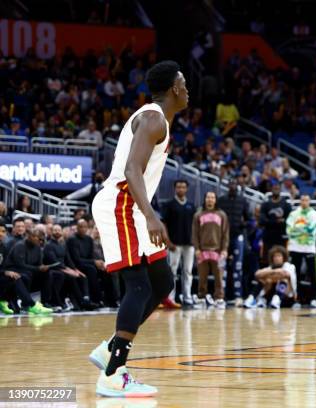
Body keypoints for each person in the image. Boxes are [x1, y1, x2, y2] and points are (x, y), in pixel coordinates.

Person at [89, 61, 188, 397]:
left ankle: (110, 348)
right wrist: (150, 215)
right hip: (122, 205)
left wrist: (147, 214)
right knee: (140, 287)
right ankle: (114, 374)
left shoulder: (158, 119)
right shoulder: (153, 118)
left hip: (132, 207)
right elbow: (132, 170)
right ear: (175, 87)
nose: (187, 89)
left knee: (163, 282)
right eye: (184, 83)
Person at [0, 229, 53, 315]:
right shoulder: (19, 246)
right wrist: (5, 272)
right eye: (39, 239)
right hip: (14, 271)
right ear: (30, 236)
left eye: (42, 239)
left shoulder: (38, 247)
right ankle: (30, 305)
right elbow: (20, 265)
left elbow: (38, 264)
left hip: (22, 273)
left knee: (47, 273)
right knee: (22, 275)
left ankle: (45, 302)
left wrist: (42, 267)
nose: (41, 241)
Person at [217, 178, 251, 307]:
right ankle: (221, 296)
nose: (232, 186)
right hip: (222, 238)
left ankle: (238, 296)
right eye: (230, 184)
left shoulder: (242, 201)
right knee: (221, 268)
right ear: (227, 186)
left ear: (237, 186)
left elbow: (250, 220)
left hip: (237, 237)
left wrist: (243, 225)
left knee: (238, 268)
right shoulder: (221, 200)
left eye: (234, 184)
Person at [162, 180, 196, 309]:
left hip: (189, 244)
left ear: (187, 189)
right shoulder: (169, 205)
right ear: (175, 189)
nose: (181, 189)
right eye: (178, 187)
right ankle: (171, 298)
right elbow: (163, 224)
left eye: (183, 187)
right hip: (174, 244)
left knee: (188, 271)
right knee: (172, 271)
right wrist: (167, 241)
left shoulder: (191, 206)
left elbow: (195, 225)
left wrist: (195, 241)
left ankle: (187, 297)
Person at [192, 191, 229, 309]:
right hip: (202, 251)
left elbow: (225, 234)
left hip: (218, 251)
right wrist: (197, 248)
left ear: (215, 200)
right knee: (202, 277)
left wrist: (224, 249)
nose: (210, 199)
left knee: (219, 277)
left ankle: (219, 298)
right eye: (208, 197)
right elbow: (194, 233)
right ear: (205, 199)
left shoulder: (222, 215)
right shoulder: (198, 214)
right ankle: (202, 298)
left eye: (212, 197)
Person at [286, 195, 316, 307]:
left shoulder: (315, 214)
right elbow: (289, 230)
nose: (304, 202)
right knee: (295, 274)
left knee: (312, 273)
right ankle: (297, 299)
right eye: (302, 200)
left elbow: (311, 229)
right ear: (300, 201)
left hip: (309, 247)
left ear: (309, 201)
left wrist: (298, 229)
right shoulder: (293, 214)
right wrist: (302, 230)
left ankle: (314, 298)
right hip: (295, 247)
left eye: (306, 200)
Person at [66, 219, 104, 308]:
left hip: (87, 263)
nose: (83, 229)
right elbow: (76, 259)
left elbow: (91, 256)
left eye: (85, 227)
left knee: (104, 271)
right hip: (75, 265)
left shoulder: (89, 239)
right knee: (91, 269)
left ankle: (102, 300)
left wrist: (98, 263)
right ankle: (93, 299)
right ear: (77, 228)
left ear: (87, 228)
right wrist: (94, 262)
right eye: (81, 227)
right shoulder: (72, 239)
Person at [259, 182, 292, 265]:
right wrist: (277, 221)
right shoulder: (265, 205)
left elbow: (289, 222)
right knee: (267, 261)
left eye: (277, 188)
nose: (276, 190)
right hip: (268, 237)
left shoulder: (286, 205)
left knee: (282, 261)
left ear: (280, 189)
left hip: (281, 237)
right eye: (274, 188)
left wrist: (270, 221)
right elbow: (262, 221)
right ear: (271, 189)